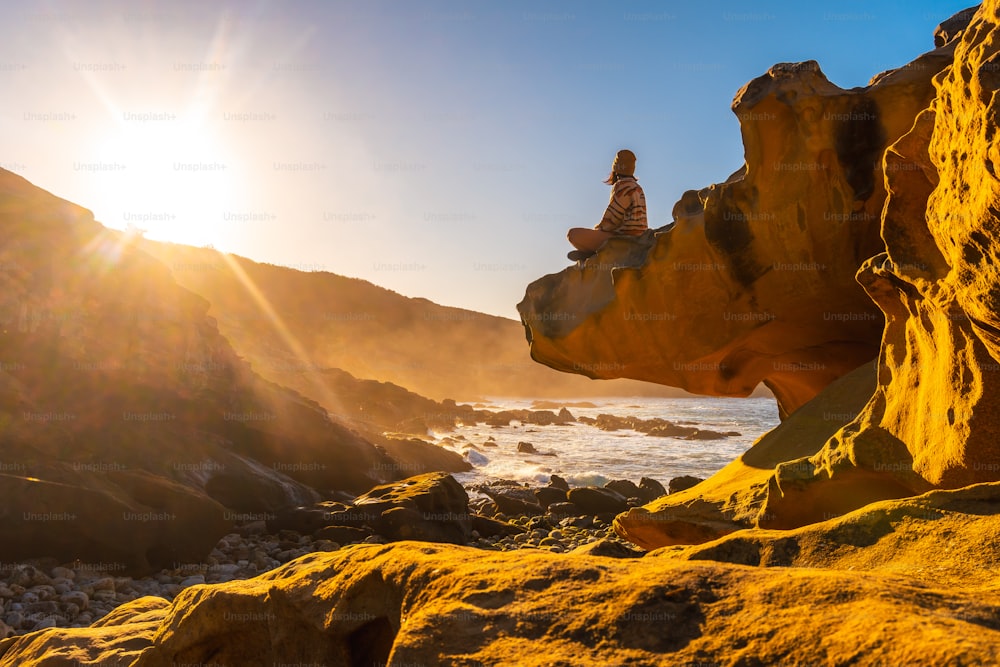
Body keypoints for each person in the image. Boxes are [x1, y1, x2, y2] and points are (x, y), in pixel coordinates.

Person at [567, 149, 648, 262]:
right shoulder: (637, 188)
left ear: (615, 168)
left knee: (573, 234)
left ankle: (593, 253)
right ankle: (591, 252)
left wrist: (598, 230)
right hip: (639, 238)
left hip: (624, 240)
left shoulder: (622, 185)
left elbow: (611, 220)